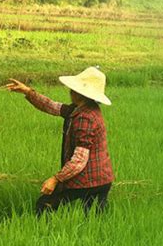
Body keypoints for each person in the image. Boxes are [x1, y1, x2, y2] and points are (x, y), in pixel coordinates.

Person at [7, 67, 114, 216]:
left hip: (88, 179)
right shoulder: (81, 109)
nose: (70, 91)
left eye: (73, 89)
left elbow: (79, 160)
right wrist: (28, 92)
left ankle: (43, 235)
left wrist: (55, 179)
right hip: (102, 178)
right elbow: (52, 106)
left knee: (45, 205)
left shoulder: (85, 118)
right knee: (94, 219)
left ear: (80, 94)